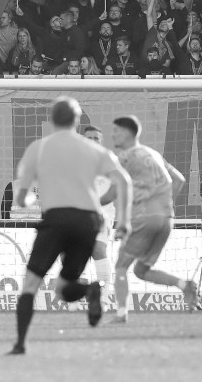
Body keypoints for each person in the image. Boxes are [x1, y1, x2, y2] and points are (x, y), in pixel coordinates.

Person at [9, 97, 131, 355]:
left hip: (56, 219)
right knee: (63, 287)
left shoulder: (39, 148)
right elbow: (124, 182)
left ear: (52, 120)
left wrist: (27, 199)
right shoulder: (96, 151)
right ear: (77, 121)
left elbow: (21, 194)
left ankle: (20, 344)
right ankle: (92, 289)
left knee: (30, 286)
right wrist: (125, 220)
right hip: (88, 222)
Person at [109, 114, 198, 322]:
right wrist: (162, 205)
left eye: (115, 131)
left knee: (121, 266)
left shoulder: (125, 157)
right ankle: (184, 285)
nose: (112, 135)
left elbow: (114, 191)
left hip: (144, 218)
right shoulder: (154, 154)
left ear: (126, 133)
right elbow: (179, 180)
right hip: (166, 219)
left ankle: (121, 313)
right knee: (141, 270)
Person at [80, 124, 116, 309]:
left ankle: (103, 297)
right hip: (77, 213)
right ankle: (77, 299)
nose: (93, 141)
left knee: (98, 250)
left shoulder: (110, 160)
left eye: (96, 138)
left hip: (101, 214)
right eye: (89, 138)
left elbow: (119, 186)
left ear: (102, 142)